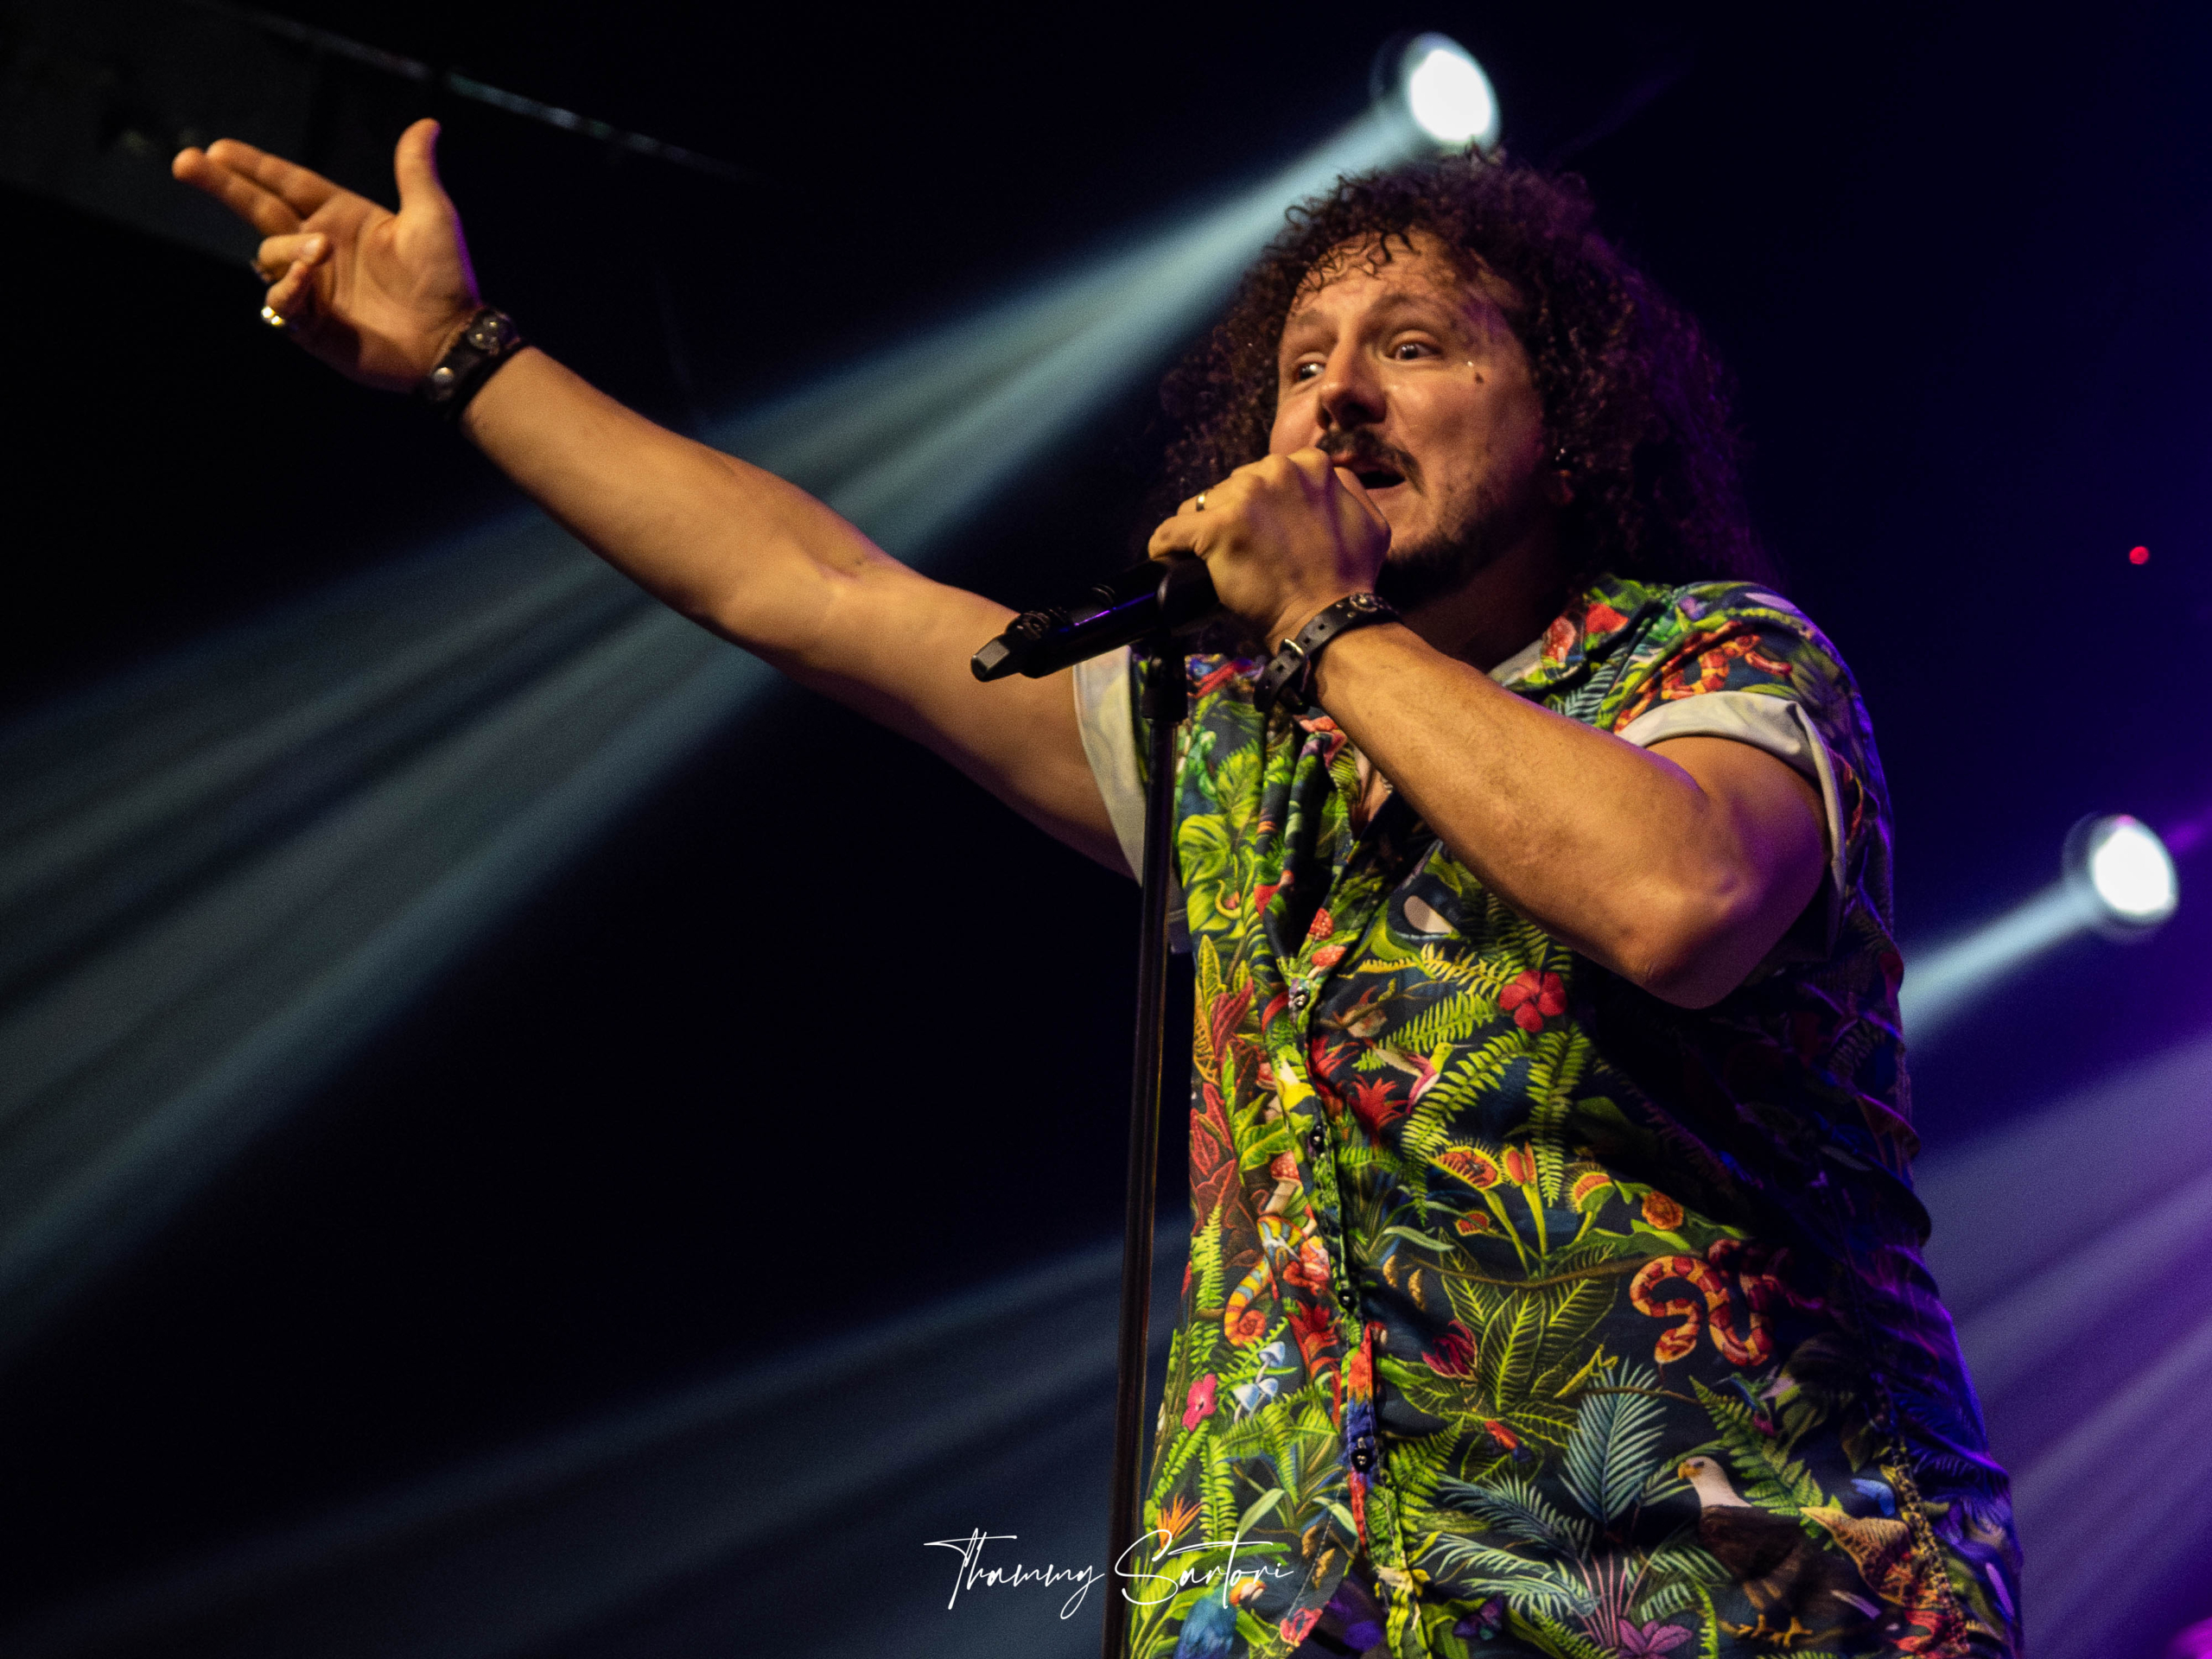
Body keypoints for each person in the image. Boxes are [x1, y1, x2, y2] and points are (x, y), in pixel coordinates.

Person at [174, 121, 2021, 1659]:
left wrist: (1323, 621)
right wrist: (466, 356)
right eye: (1301, 363)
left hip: (1729, 1595)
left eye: (1414, 346)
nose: (1336, 398)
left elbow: (1674, 900)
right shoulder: (1232, 747)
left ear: (1570, 416)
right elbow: (813, 591)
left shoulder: (1707, 667)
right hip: (1302, 1607)